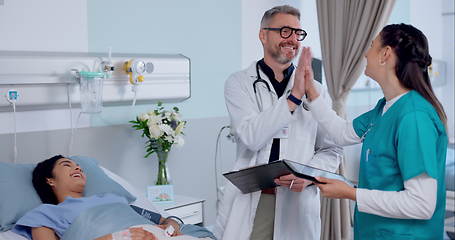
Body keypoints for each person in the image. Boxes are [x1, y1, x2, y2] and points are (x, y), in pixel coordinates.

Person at [299, 24, 448, 239]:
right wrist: (311, 89)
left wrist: (350, 193)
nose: (365, 54)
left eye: (371, 46)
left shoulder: (414, 117)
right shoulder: (384, 108)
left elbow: (421, 204)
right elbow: (340, 132)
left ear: (385, 54)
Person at [213, 5, 342, 240]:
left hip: (297, 200)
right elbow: (251, 137)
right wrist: (293, 99)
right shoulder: (239, 83)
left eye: (297, 33)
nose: (293, 39)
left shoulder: (317, 91)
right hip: (255, 196)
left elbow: (331, 148)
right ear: (263, 35)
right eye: (285, 31)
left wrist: (308, 175)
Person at [12, 155, 214, 240]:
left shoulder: (113, 198)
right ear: (50, 180)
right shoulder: (45, 213)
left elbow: (163, 220)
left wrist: (170, 229)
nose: (77, 167)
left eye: (79, 166)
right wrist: (119, 237)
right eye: (67, 165)